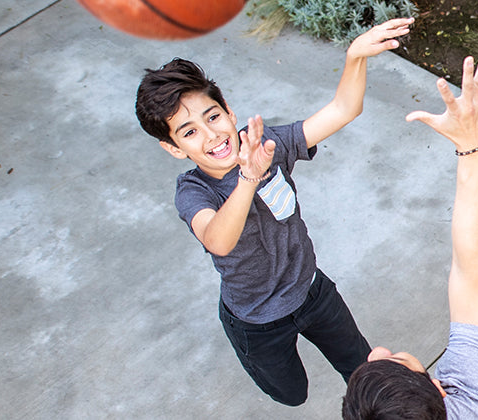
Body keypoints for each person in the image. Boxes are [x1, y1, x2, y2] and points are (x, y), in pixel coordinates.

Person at [134, 18, 414, 407]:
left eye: (212, 116)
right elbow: (217, 239)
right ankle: (247, 347)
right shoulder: (194, 190)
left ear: (229, 111)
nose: (212, 134)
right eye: (189, 131)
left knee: (368, 373)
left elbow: (342, 109)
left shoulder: (269, 144)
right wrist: (248, 177)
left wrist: (355, 57)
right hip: (257, 318)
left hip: (311, 289)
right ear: (175, 148)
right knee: (292, 395)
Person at [340, 56, 478, 420]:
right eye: (396, 359)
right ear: (440, 390)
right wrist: (472, 147)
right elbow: (472, 267)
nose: (376, 350)